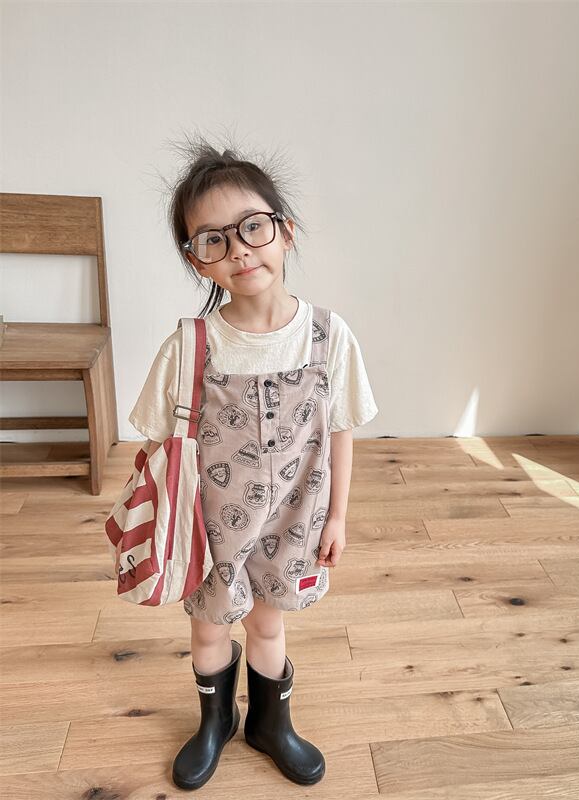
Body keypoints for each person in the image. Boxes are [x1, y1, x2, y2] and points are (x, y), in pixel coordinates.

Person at [127, 138, 378, 790]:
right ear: (196, 260)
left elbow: (342, 430)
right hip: (213, 532)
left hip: (293, 525)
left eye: (252, 227)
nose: (238, 249)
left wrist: (338, 518)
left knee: (269, 626)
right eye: (213, 239)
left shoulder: (329, 336)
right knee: (209, 631)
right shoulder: (191, 345)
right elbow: (154, 443)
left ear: (285, 231)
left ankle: (271, 724)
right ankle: (215, 722)